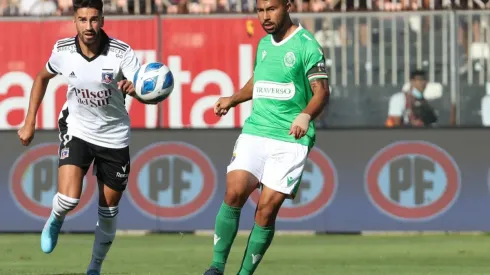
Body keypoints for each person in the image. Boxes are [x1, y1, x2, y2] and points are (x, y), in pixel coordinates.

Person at [202, 0, 330, 273]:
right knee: (234, 191)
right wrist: (233, 99)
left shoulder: (307, 44)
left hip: (290, 139)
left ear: (288, 6)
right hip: (256, 131)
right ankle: (215, 268)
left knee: (265, 211)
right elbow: (259, 81)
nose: (265, 16)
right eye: (260, 10)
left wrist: (305, 115)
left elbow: (321, 91)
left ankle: (244, 273)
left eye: (271, 9)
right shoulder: (263, 45)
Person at [17, 0, 141, 274]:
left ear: (102, 20)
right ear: (74, 20)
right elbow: (41, 78)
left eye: (94, 19)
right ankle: (56, 217)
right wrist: (29, 120)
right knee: (69, 198)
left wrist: (136, 88)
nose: (89, 26)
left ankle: (95, 267)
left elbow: (145, 89)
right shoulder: (63, 51)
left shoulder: (122, 53)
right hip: (78, 128)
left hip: (114, 137)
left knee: (108, 212)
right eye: (83, 20)